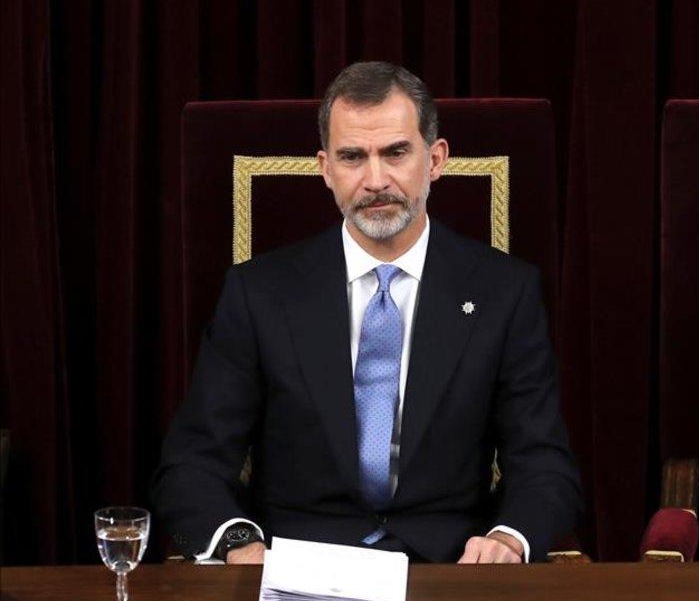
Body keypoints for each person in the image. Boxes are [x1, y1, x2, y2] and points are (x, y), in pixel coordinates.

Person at [152, 61, 581, 565]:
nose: (376, 179)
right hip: (296, 573)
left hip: (450, 575)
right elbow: (190, 464)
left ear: (436, 159)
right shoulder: (258, 292)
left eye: (396, 152)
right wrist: (235, 545)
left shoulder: (505, 292)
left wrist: (508, 540)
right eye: (353, 157)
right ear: (325, 169)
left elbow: (544, 463)